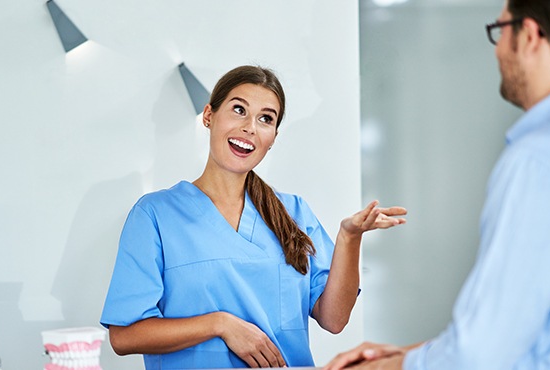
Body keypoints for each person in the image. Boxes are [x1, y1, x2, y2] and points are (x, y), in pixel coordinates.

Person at [325, 0, 550, 369]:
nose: (497, 49)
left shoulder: (540, 162)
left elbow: (480, 354)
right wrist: (407, 353)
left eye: (500, 31)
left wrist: (385, 367)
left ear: (528, 36)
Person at [100, 65, 407, 369]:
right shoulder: (155, 215)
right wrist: (220, 325)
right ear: (209, 116)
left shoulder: (294, 213)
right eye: (238, 110)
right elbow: (125, 336)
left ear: (272, 137)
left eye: (265, 119)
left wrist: (349, 238)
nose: (250, 127)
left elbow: (334, 318)